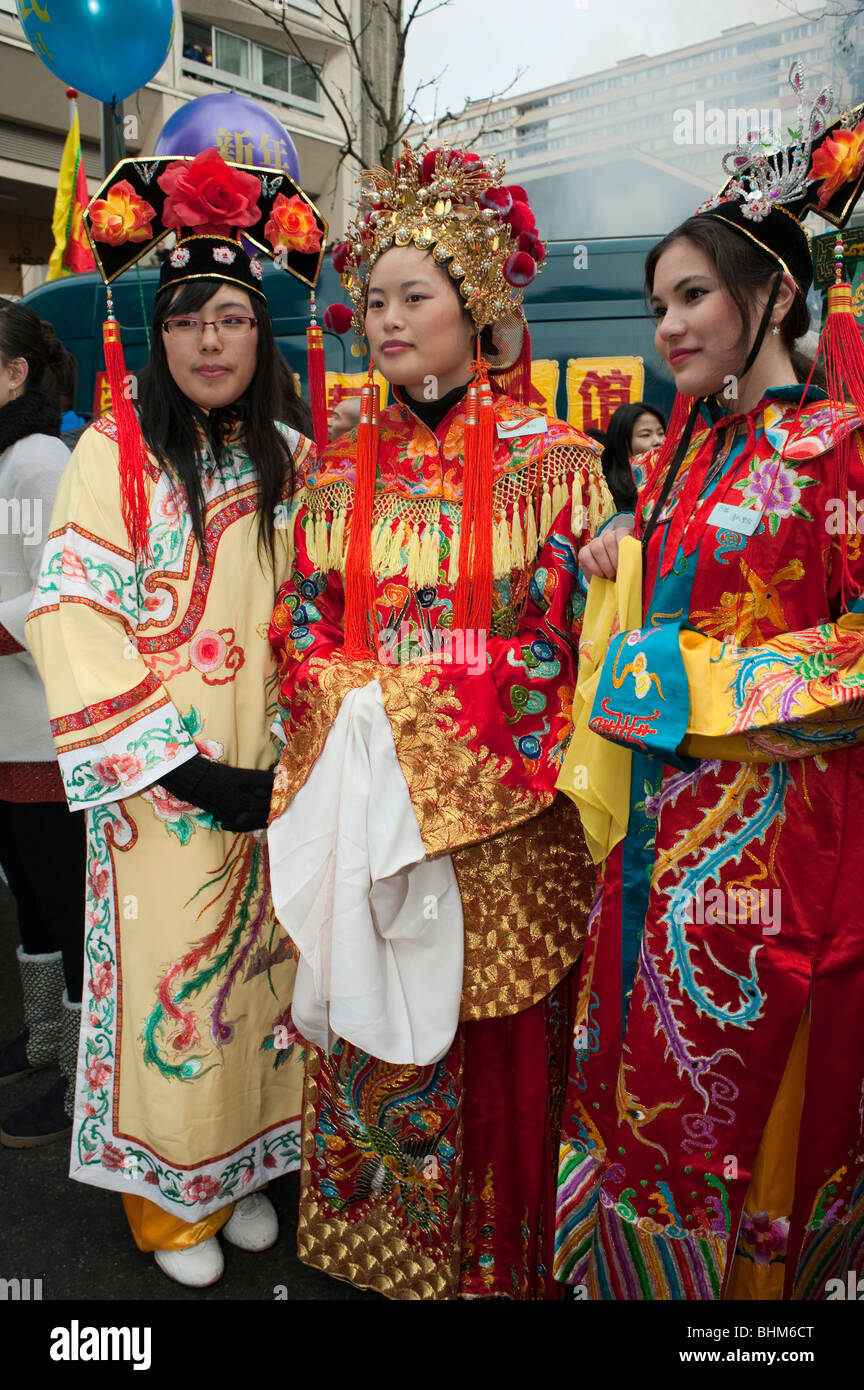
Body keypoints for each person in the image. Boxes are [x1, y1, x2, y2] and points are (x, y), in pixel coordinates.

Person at [267, 143, 613, 1300]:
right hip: (373, 830)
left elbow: (564, 658)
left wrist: (400, 704)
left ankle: (497, 1269)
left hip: (499, 838)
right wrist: (347, 701)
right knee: (377, 1034)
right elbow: (297, 636)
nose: (389, 318)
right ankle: (382, 1257)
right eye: (375, 298)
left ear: (480, 308)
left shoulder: (557, 468)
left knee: (497, 1050)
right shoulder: (331, 478)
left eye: (417, 295)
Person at [554, 67, 864, 1300]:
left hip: (774, 858)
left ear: (773, 292)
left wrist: (698, 680)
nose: (669, 324)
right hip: (654, 852)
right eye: (658, 303)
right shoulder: (690, 453)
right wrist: (619, 566)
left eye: (693, 294)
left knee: (745, 1118)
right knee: (638, 1090)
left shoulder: (835, 447)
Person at [26, 148, 327, 1288]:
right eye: (189, 315)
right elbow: (73, 619)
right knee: (170, 986)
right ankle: (166, 1202)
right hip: (160, 791)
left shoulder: (296, 458)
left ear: (262, 336)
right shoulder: (114, 454)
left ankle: (243, 1170)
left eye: (234, 318)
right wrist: (184, 768)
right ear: (158, 335)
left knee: (267, 982)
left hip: (275, 778)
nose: (211, 339)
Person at [0, 302, 86, 1148]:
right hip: (4, 722)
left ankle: (80, 1077)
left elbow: (55, 584)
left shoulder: (38, 458)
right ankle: (47, 1038)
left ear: (15, 372)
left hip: (42, 726)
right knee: (27, 896)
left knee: (67, 905)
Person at [601, 400, 666, 510]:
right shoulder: (605, 491)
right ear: (622, 442)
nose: (658, 441)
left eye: (661, 433)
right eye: (645, 435)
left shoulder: (674, 479)